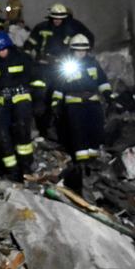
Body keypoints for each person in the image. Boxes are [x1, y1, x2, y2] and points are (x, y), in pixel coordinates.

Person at [50, 34, 113, 189]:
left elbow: (102, 81)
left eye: (83, 50)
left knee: (95, 131)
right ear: (72, 50)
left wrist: (108, 96)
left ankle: (93, 162)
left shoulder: (93, 63)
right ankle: (82, 164)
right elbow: (59, 86)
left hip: (92, 101)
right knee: (79, 132)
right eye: (77, 50)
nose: (81, 53)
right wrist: (56, 102)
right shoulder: (66, 65)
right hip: (74, 103)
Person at [25, 3, 95, 136]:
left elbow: (88, 39)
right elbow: (29, 45)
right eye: (54, 18)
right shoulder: (41, 28)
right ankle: (42, 129)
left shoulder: (72, 27)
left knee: (63, 96)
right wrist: (29, 58)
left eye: (60, 18)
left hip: (62, 67)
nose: (57, 21)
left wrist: (84, 55)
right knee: (40, 98)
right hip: (42, 67)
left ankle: (64, 128)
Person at [0, 31, 36, 181]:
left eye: (3, 49)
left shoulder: (23, 58)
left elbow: (35, 78)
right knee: (1, 135)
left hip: (21, 98)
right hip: (2, 101)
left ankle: (26, 167)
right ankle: (12, 170)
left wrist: (38, 101)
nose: (1, 53)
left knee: (21, 132)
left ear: (9, 46)